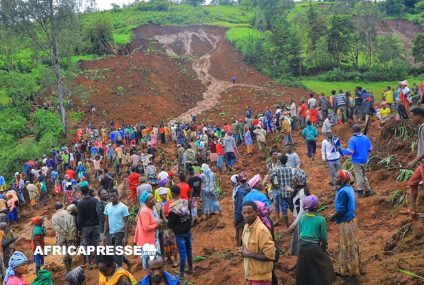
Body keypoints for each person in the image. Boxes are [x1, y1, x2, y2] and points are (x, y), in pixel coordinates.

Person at [296, 195, 335, 285]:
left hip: (302, 247)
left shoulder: (302, 218)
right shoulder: (321, 220)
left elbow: (299, 234)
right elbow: (323, 238)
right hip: (314, 247)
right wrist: (323, 247)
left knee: (304, 267)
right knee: (325, 264)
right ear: (317, 206)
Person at [330, 170, 362, 279]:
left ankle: (349, 272)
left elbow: (341, 210)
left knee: (346, 246)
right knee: (353, 245)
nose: (335, 178)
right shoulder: (348, 188)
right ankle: (353, 269)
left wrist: (332, 217)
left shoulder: (343, 192)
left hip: (346, 223)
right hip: (351, 221)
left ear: (343, 180)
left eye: (338, 177)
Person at [240, 201, 276, 285]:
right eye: (244, 213)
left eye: (249, 212)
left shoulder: (262, 230)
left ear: (256, 212)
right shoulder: (246, 227)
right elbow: (247, 247)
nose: (246, 215)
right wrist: (243, 250)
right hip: (251, 274)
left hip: (261, 278)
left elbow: (271, 256)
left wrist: (248, 254)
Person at [340, 124, 374, 198]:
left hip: (357, 160)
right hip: (365, 159)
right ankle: (368, 190)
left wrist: (342, 150)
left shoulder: (352, 139)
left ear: (353, 131)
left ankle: (360, 191)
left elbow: (350, 151)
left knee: (359, 175)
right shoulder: (365, 137)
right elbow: (370, 148)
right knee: (364, 174)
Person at [167, 185, 193, 279]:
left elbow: (170, 223)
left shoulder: (172, 207)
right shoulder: (185, 202)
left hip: (179, 233)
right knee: (189, 250)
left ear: (173, 194)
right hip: (188, 230)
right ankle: (191, 268)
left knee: (182, 253)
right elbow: (190, 214)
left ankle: (181, 273)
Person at [404, 107, 424, 216]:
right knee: (412, 183)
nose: (412, 119)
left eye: (413, 116)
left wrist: (414, 161)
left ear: (419, 116)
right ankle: (412, 209)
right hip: (422, 164)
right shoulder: (421, 127)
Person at [134, 192, 163, 269]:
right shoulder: (144, 211)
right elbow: (146, 227)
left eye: (153, 197)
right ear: (146, 202)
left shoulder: (153, 208)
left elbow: (155, 220)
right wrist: (157, 225)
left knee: (156, 260)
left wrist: (159, 222)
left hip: (154, 238)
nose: (153, 200)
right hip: (147, 241)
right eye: (150, 199)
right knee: (148, 262)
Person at [103, 189, 130, 268]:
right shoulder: (107, 207)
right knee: (111, 252)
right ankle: (128, 263)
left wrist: (125, 237)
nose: (112, 198)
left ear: (118, 196)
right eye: (110, 196)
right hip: (111, 233)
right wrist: (104, 235)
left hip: (120, 232)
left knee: (117, 253)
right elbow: (106, 221)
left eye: (114, 196)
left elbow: (127, 222)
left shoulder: (123, 207)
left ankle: (119, 270)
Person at [77, 185, 100, 269]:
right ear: (89, 191)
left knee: (87, 245)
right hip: (96, 225)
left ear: (82, 192)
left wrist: (79, 229)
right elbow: (98, 213)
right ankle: (97, 263)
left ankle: (89, 264)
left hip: (85, 227)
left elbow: (80, 218)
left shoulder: (80, 203)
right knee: (96, 244)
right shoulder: (95, 200)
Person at [51, 202, 77, 272]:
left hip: (60, 237)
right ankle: (71, 267)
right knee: (70, 252)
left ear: (55, 208)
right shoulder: (69, 214)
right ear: (63, 206)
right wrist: (70, 234)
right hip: (70, 236)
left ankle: (67, 269)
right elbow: (73, 225)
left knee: (64, 253)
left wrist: (63, 233)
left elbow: (56, 228)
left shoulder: (54, 216)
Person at [270, 155, 293, 228]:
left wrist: (274, 185)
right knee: (293, 208)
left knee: (284, 210)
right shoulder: (290, 169)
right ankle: (296, 221)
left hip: (281, 192)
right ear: (286, 161)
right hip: (290, 191)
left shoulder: (277, 169)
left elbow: (271, 177)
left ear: (280, 161)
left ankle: (287, 226)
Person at [233, 172, 251, 247]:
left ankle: (239, 248)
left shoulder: (239, 192)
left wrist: (236, 218)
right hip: (250, 212)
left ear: (239, 181)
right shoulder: (249, 188)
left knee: (239, 232)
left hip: (242, 214)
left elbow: (239, 206)